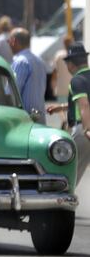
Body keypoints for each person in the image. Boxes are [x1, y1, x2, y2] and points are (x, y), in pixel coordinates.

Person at [47, 42, 90, 182]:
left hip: (83, 130)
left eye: (67, 63)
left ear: (71, 64)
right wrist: (61, 108)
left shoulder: (77, 80)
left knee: (69, 175)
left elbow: (84, 105)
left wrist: (87, 129)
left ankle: (63, 200)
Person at [9, 27, 46, 123]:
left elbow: (12, 93)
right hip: (39, 117)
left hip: (25, 121)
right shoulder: (39, 61)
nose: (8, 44)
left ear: (14, 41)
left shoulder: (20, 62)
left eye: (9, 41)